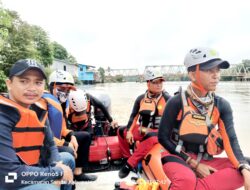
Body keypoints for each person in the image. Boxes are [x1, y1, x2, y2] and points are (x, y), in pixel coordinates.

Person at [158, 47, 250, 189]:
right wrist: (193, 163)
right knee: (186, 181)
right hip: (176, 157)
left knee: (247, 166)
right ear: (193, 75)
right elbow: (162, 138)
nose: (216, 75)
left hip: (207, 159)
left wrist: (243, 168)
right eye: (209, 70)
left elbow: (230, 140)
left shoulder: (222, 105)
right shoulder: (176, 102)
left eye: (218, 70)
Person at [0, 59, 74, 190]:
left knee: (67, 158)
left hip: (30, 169)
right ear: (9, 84)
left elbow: (51, 145)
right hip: (8, 180)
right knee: (48, 187)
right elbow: (10, 175)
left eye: (38, 82)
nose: (32, 88)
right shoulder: (3, 116)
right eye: (24, 81)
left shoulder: (37, 111)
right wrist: (58, 172)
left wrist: (58, 165)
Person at [43, 70, 97, 181]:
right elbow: (42, 136)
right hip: (45, 145)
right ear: (52, 86)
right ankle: (65, 181)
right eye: (62, 89)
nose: (65, 92)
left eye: (67, 90)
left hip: (56, 140)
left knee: (85, 136)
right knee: (69, 150)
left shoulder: (60, 104)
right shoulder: (43, 103)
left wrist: (71, 135)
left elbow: (62, 128)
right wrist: (66, 143)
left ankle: (78, 173)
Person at [118, 69, 171, 178]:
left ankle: (129, 165)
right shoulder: (141, 99)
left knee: (150, 137)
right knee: (120, 131)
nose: (159, 85)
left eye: (160, 82)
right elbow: (133, 117)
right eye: (155, 82)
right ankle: (126, 157)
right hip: (143, 129)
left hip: (158, 132)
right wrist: (129, 132)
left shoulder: (168, 99)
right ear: (148, 83)